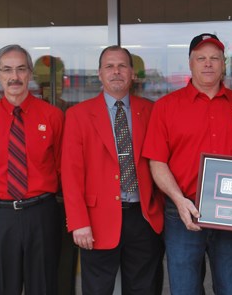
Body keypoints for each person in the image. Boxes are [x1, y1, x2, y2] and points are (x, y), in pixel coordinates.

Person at [142, 33, 232, 294]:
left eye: (214, 58)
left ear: (223, 64)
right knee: (185, 289)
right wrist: (179, 200)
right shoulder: (166, 107)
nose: (208, 64)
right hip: (183, 211)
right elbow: (157, 162)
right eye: (201, 58)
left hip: (231, 214)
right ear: (190, 63)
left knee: (231, 288)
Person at [62, 45, 164, 295]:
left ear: (132, 73)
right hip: (96, 222)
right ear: (99, 73)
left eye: (122, 66)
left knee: (144, 288)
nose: (116, 71)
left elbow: (161, 163)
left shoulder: (151, 111)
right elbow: (70, 173)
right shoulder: (78, 115)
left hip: (143, 219)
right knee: (97, 289)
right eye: (109, 66)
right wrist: (78, 222)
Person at [0, 44, 63, 294]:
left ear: (30, 74)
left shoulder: (53, 117)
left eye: (21, 69)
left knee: (44, 287)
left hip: (42, 215)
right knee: (3, 288)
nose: (14, 77)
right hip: (0, 218)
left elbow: (62, 166)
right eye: (7, 70)